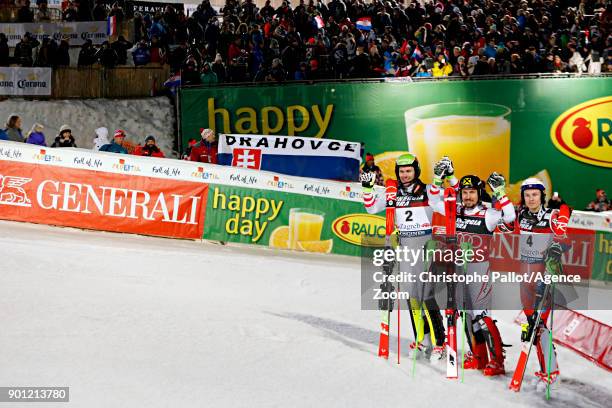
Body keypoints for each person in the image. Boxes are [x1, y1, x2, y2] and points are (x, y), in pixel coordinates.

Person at [362, 153, 451, 360]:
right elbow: (372, 207)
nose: (405, 175)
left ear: (416, 171)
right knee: (412, 297)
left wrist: (444, 180)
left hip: (426, 245)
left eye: (408, 171)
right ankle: (422, 338)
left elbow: (445, 206)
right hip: (405, 247)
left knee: (427, 295)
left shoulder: (429, 190)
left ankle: (440, 342)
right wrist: (367, 188)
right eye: (401, 171)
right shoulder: (392, 192)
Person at [449, 174, 515, 376]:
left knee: (482, 316)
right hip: (459, 268)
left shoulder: (488, 214)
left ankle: (497, 361)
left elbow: (511, 217)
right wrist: (450, 178)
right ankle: (478, 356)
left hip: (479, 269)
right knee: (465, 314)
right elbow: (436, 201)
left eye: (472, 193)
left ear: (479, 194)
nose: (468, 196)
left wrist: (500, 193)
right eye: (465, 192)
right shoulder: (456, 211)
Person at [514, 178, 569, 390]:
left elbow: (564, 240)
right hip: (525, 275)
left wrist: (557, 251)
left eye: (535, 195)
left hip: (544, 274)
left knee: (540, 324)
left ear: (542, 196)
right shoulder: (522, 216)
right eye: (527, 195)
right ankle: (547, 365)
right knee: (532, 323)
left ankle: (550, 370)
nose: (531, 198)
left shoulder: (551, 216)